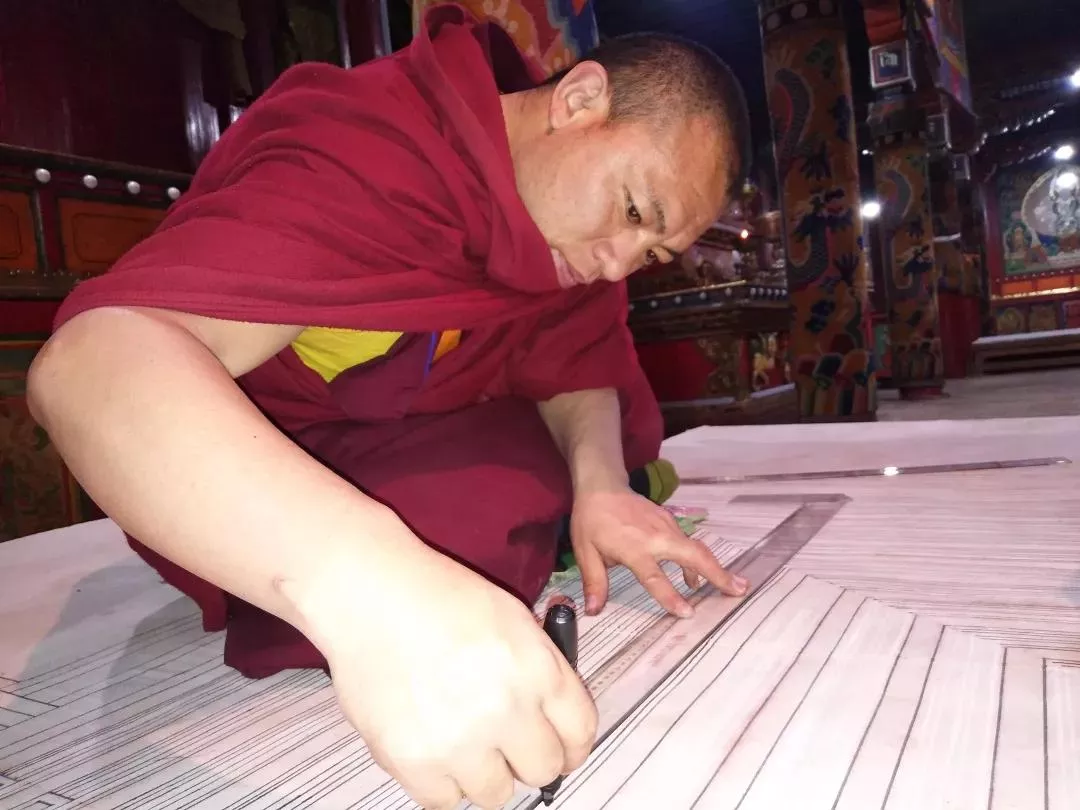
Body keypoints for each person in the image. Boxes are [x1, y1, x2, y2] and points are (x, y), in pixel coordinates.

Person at [27, 5, 752, 809]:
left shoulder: (556, 239)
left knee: (511, 491)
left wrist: (603, 488)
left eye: (650, 255)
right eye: (634, 211)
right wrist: (369, 586)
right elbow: (90, 363)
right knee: (458, 534)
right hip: (268, 444)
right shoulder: (374, 148)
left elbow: (576, 364)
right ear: (578, 101)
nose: (616, 265)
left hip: (413, 428)